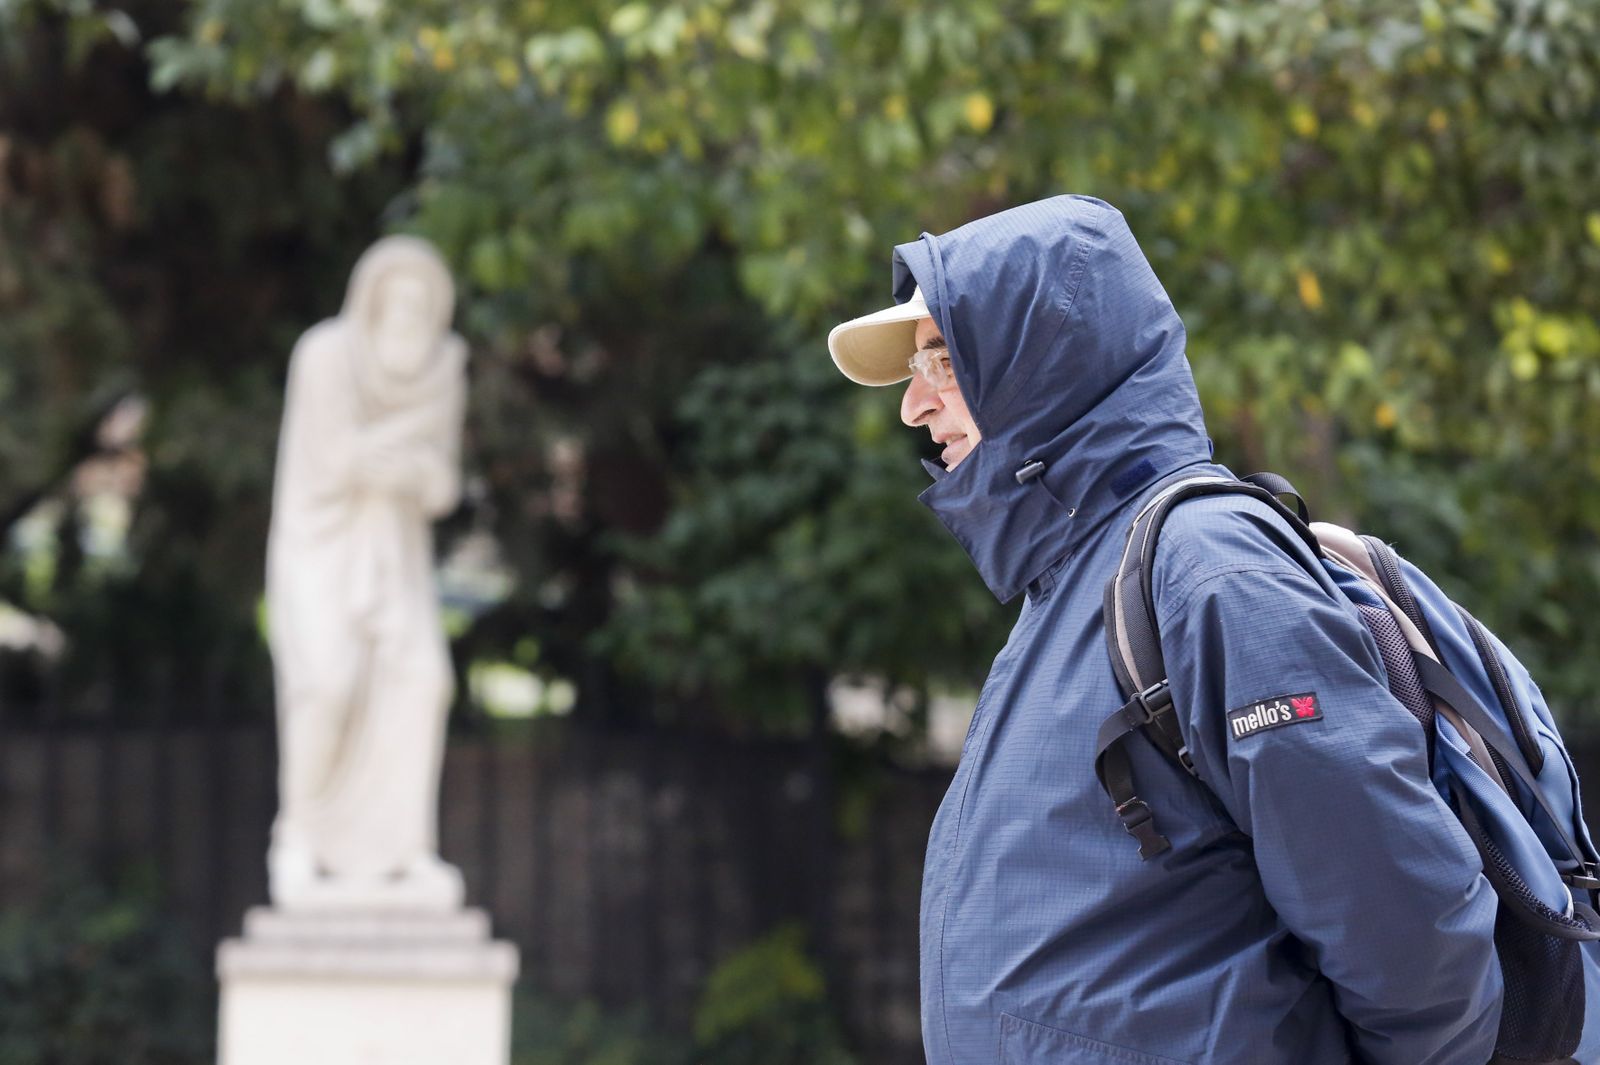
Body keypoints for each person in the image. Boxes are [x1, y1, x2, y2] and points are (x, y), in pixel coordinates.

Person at [825, 195, 1506, 1064]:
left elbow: (1409, 935)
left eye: (942, 360)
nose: (913, 408)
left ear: (1045, 362)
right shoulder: (1071, 588)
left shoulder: (1208, 568)